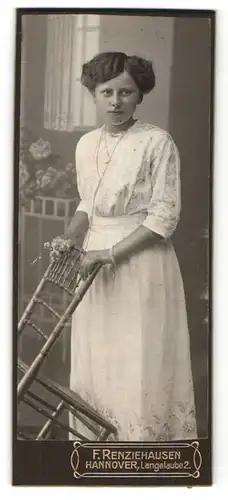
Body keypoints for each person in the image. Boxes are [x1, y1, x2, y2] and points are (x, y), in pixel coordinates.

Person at [52, 52, 197, 441]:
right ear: (94, 94)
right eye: (107, 92)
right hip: (93, 266)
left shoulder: (156, 141)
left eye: (126, 92)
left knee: (138, 359)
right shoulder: (85, 144)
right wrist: (70, 237)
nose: (116, 101)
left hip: (142, 262)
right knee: (98, 357)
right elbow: (88, 203)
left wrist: (110, 253)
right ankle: (97, 445)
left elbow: (164, 217)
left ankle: (141, 447)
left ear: (140, 95)